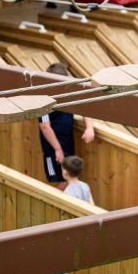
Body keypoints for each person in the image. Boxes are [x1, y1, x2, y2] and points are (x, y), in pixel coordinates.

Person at [38, 63, 95, 191]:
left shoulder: (69, 92)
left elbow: (85, 106)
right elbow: (45, 127)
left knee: (68, 180)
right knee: (60, 181)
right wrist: (57, 149)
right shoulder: (44, 98)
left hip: (67, 143)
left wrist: (89, 127)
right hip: (52, 147)